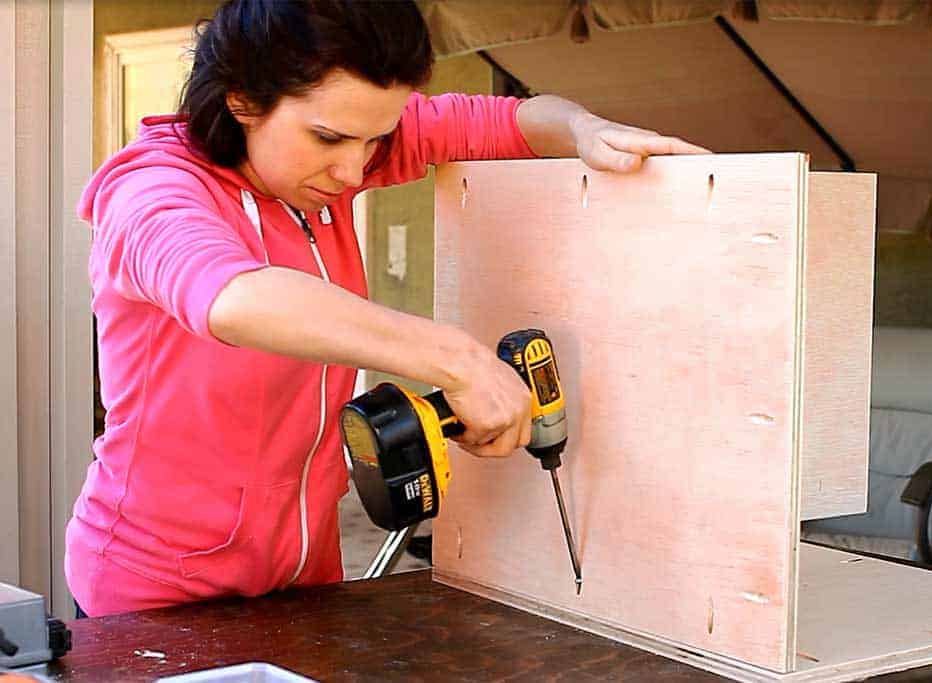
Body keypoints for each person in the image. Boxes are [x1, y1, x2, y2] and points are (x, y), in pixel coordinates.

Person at [66, 0, 708, 617]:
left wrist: (583, 130)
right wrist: (457, 360)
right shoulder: (152, 191)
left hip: (305, 578)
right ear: (242, 101)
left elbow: (510, 121)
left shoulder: (324, 165)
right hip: (156, 589)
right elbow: (234, 298)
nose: (353, 171)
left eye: (376, 139)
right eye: (328, 137)